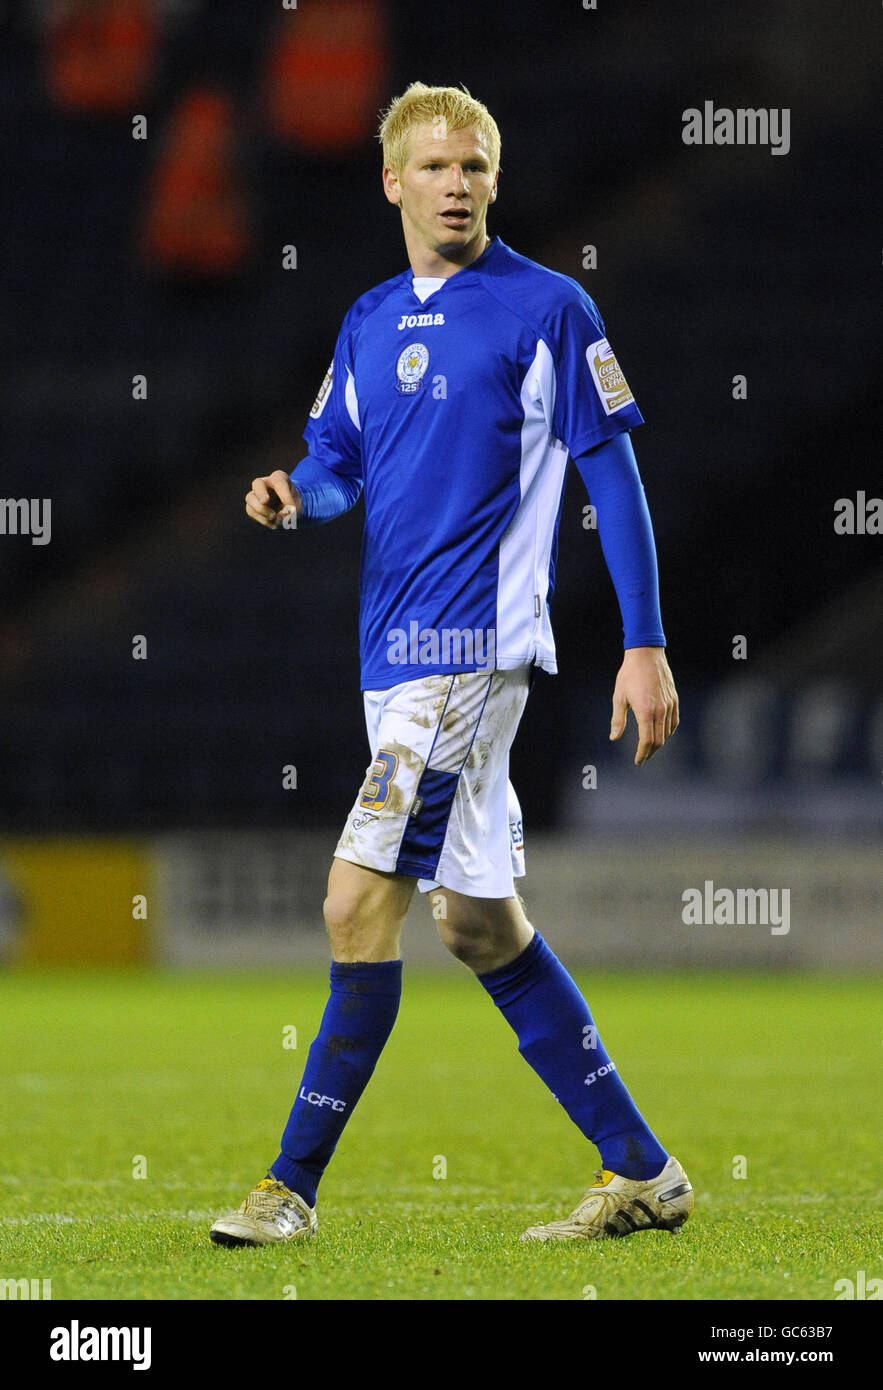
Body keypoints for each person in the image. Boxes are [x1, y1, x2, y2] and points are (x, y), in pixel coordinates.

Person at [210, 82, 692, 1247]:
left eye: (473, 165)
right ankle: (642, 1168)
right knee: (477, 926)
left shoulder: (549, 307)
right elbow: (339, 462)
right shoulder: (370, 318)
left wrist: (644, 642)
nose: (457, 184)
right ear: (392, 182)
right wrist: (294, 493)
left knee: (351, 903)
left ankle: (288, 1188)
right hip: (391, 661)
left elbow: (610, 477)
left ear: (493, 179)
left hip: (467, 656)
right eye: (433, 166)